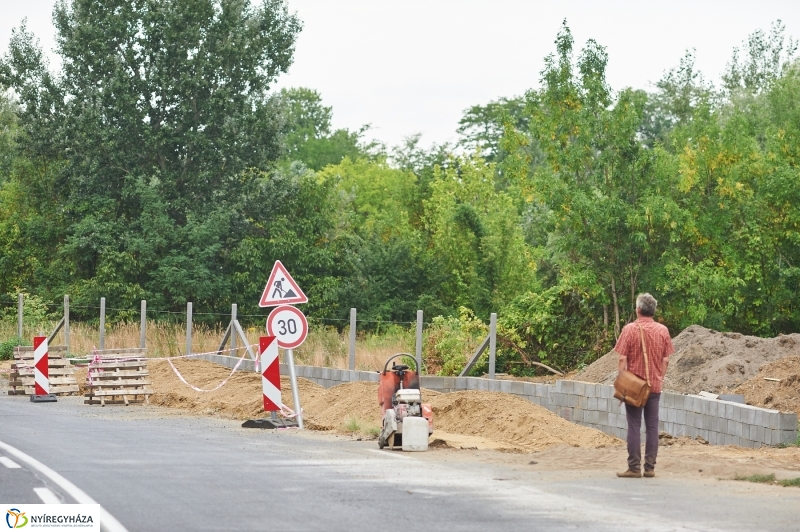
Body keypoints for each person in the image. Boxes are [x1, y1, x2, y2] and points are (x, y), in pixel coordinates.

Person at [615, 293, 674, 478]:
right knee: (652, 427)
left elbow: (622, 358)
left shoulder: (629, 329)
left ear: (638, 309)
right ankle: (650, 468)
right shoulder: (663, 331)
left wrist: (622, 378)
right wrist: (659, 377)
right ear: (653, 310)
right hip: (654, 386)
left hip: (634, 388)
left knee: (633, 425)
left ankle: (633, 467)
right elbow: (666, 360)